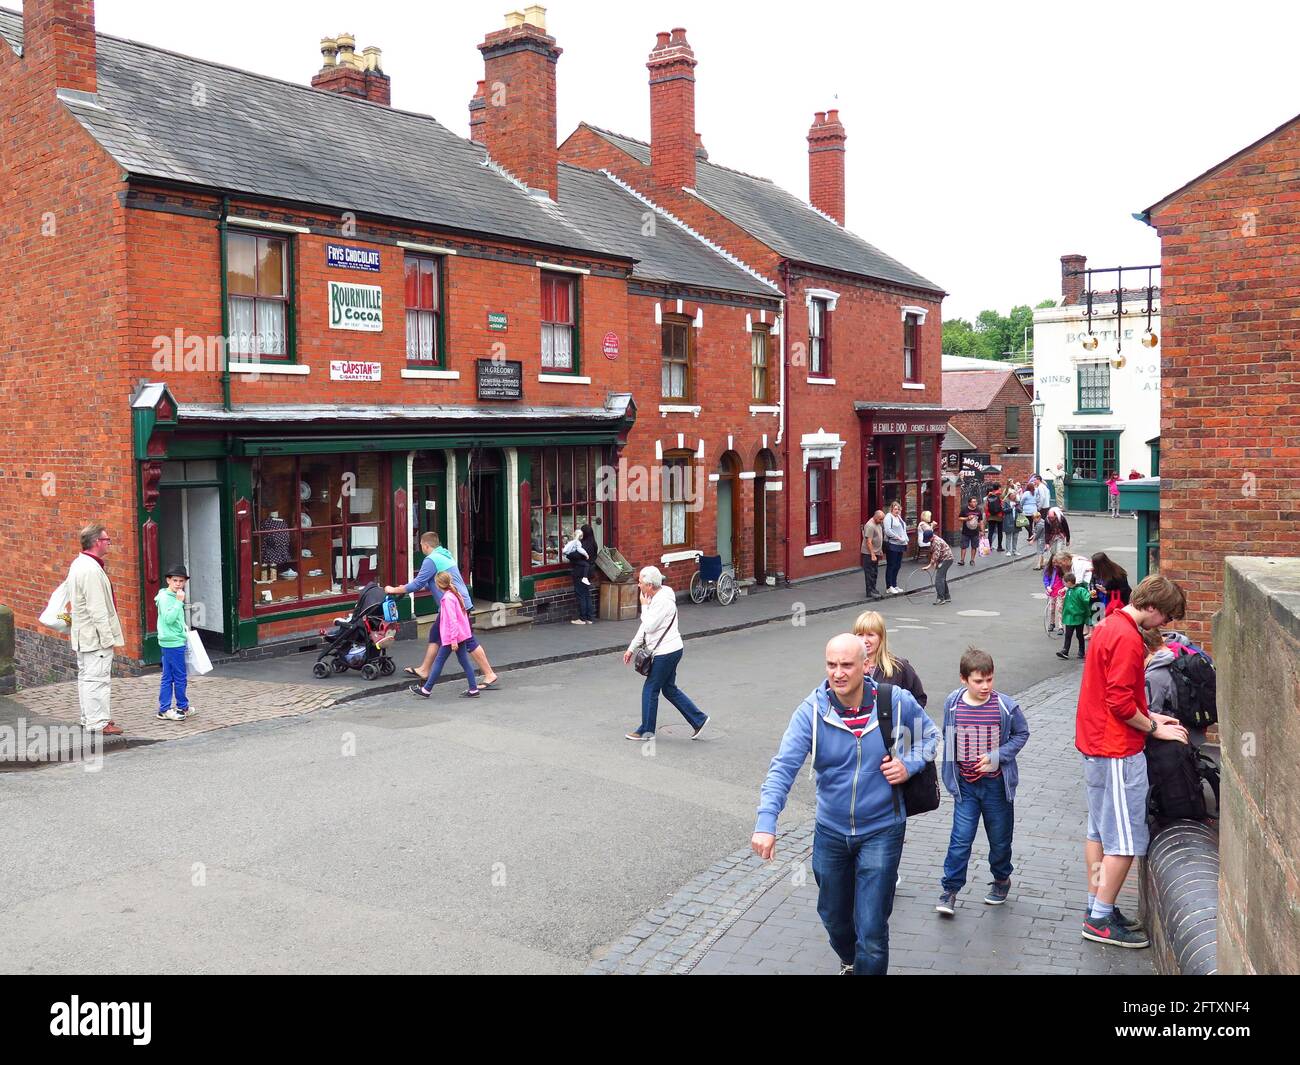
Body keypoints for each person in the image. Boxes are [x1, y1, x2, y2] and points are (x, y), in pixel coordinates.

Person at [751, 634, 938, 974]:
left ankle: (864, 959)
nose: (837, 673)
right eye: (831, 665)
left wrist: (907, 764)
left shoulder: (894, 701)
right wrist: (766, 822)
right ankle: (850, 959)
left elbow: (930, 737)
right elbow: (783, 767)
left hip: (882, 828)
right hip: (831, 831)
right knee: (835, 918)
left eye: (846, 665)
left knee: (872, 929)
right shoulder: (812, 711)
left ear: (866, 665)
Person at [1077, 574, 1189, 948]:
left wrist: (1152, 717)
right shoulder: (1127, 638)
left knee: (1098, 832)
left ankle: (1098, 906)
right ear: (1153, 607)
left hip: (1095, 744)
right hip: (1117, 750)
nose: (1166, 626)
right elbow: (1122, 704)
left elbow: (1113, 693)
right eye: (1167, 617)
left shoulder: (1108, 623)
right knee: (1125, 840)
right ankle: (1099, 920)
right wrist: (1152, 728)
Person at [936, 647, 1029, 915]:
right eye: (978, 681)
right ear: (964, 679)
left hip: (995, 786)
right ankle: (950, 890)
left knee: (1000, 839)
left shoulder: (1005, 706)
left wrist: (998, 756)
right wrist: (950, 777)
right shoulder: (953, 703)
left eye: (989, 679)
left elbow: (1022, 734)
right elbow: (948, 736)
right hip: (966, 786)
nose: (985, 686)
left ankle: (1001, 879)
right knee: (960, 840)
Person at [387, 532, 500, 689]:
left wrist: (394, 589)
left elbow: (418, 584)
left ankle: (489, 674)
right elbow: (430, 582)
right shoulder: (444, 554)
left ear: (425, 545)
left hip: (454, 605)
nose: (421, 548)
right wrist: (403, 588)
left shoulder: (431, 560)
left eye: (421, 546)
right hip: (457, 602)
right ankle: (424, 670)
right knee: (435, 634)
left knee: (468, 640)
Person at [622, 566, 708, 741]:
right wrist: (631, 648)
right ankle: (699, 719)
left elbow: (649, 626)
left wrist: (644, 607)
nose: (638, 586)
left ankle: (646, 731)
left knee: (650, 689)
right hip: (672, 649)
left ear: (650, 585)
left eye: (640, 583)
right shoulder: (657, 597)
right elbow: (645, 629)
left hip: (666, 652)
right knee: (668, 689)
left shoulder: (662, 602)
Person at [66, 523, 125, 736]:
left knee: (87, 678)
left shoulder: (79, 564)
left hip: (84, 634)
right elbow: (97, 608)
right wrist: (107, 638)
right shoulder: (91, 569)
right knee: (97, 680)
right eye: (107, 539)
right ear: (96, 542)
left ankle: (89, 718)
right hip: (94, 635)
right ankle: (98, 722)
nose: (109, 543)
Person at [409, 571, 479, 699]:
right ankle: (473, 689)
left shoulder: (447, 598)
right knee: (464, 661)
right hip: (461, 635)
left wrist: (453, 640)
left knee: (439, 661)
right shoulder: (454, 594)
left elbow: (452, 620)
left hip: (452, 637)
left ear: (438, 584)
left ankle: (426, 689)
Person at [853, 610, 928, 707]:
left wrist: (903, 718)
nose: (864, 640)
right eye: (860, 635)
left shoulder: (898, 667)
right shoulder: (848, 669)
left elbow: (919, 700)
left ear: (881, 637)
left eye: (870, 635)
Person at [155, 563, 195, 721]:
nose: (178, 584)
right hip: (173, 642)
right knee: (179, 676)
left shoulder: (169, 596)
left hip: (171, 640)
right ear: (168, 581)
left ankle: (167, 707)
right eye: (175, 580)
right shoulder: (167, 598)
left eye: (181, 581)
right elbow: (169, 619)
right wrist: (179, 602)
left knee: (169, 676)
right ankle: (179, 707)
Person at [564, 524, 598, 625]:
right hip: (590, 570)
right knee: (586, 594)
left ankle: (582, 618)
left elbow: (574, 555)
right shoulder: (593, 543)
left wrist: (568, 553)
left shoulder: (583, 544)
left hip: (580, 571)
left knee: (581, 594)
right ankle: (590, 618)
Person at [1057, 572, 1091, 661]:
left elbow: (1087, 599)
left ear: (1069, 582)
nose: (1064, 584)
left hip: (1077, 616)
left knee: (1079, 635)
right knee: (1068, 634)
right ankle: (1065, 650)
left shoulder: (1080, 590)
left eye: (1064, 582)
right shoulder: (1069, 590)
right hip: (1070, 616)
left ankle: (1081, 651)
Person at [1090, 553, 1131, 617]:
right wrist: (1092, 590)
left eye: (1093, 564)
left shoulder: (1117, 574)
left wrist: (1107, 592)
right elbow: (1092, 582)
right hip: (1098, 600)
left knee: (1111, 620)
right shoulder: (1096, 571)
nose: (1092, 566)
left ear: (1099, 565)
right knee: (1098, 622)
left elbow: (1124, 590)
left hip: (1113, 602)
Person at [922, 529, 954, 605]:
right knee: (942, 578)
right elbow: (935, 554)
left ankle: (940, 598)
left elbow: (936, 554)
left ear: (931, 537)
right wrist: (936, 563)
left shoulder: (936, 542)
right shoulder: (933, 540)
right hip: (946, 559)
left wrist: (929, 565)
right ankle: (946, 596)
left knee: (939, 579)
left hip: (946, 559)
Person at [882, 501, 908, 594]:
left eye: (899, 509)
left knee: (897, 565)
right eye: (895, 509)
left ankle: (894, 584)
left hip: (900, 545)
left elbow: (903, 529)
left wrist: (906, 539)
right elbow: (888, 530)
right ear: (891, 509)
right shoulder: (888, 517)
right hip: (892, 545)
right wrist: (897, 537)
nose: (897, 511)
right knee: (891, 565)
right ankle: (889, 586)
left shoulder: (899, 518)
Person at [860, 510, 885, 601]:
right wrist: (872, 554)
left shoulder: (878, 524)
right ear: (875, 517)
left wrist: (880, 549)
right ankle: (870, 591)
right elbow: (869, 542)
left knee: (874, 572)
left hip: (876, 552)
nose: (881, 521)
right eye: (880, 519)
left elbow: (879, 537)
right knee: (869, 573)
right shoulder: (870, 526)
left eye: (882, 519)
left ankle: (873, 589)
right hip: (869, 553)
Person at [957, 496, 983, 567]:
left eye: (976, 502)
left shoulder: (978, 510)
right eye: (973, 502)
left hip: (975, 532)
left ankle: (972, 560)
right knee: (963, 546)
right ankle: (962, 560)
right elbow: (959, 518)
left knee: (974, 546)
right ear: (969, 503)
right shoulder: (964, 509)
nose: (975, 503)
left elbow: (981, 521)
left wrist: (982, 531)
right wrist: (967, 518)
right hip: (966, 531)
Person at [984, 484, 1005, 553]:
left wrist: (987, 515)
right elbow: (1002, 505)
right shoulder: (1000, 495)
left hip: (991, 516)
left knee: (991, 532)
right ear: (998, 488)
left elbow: (986, 506)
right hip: (999, 516)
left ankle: (989, 546)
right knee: (999, 532)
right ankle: (999, 546)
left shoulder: (989, 495)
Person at [1002, 486, 1021, 557]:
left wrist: (1017, 507)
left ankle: (1014, 550)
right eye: (1012, 495)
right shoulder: (1005, 502)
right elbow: (1003, 510)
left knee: (1015, 537)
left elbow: (1021, 510)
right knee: (1008, 537)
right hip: (1008, 521)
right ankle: (1008, 551)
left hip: (1016, 521)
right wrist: (1011, 507)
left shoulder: (1017, 502)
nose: (1013, 496)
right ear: (1009, 495)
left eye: (1014, 495)